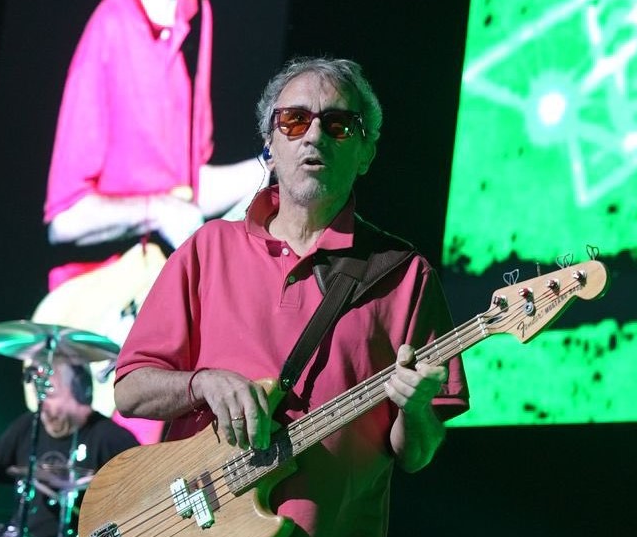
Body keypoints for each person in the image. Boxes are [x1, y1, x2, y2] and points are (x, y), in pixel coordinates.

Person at [113, 57, 469, 536]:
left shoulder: (405, 276)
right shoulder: (207, 249)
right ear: (270, 144)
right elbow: (130, 391)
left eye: (339, 124)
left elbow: (416, 455)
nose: (314, 135)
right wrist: (203, 384)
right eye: (295, 120)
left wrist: (416, 407)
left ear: (366, 154)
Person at [38, 0, 267, 442]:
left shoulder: (198, 19)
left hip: (158, 317)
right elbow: (64, 216)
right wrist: (155, 211)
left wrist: (272, 164)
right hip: (94, 331)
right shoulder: (109, 32)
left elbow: (187, 186)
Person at [0, 361, 138, 537]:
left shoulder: (112, 437)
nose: (42, 405)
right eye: (39, 395)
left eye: (50, 393)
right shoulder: (30, 426)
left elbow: (142, 504)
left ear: (80, 393)